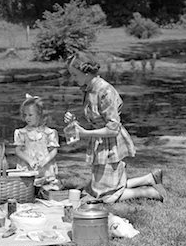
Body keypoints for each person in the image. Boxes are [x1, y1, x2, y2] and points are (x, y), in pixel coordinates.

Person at [64, 51, 167, 203]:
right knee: (99, 188)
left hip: (110, 143)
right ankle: (150, 178)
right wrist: (74, 121)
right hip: (100, 142)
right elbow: (96, 118)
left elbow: (113, 128)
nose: (72, 78)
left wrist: (85, 134)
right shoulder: (88, 88)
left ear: (86, 72)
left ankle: (148, 192)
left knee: (106, 196)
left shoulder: (105, 91)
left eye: (74, 74)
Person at [14, 94, 61, 188]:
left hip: (45, 167)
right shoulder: (22, 133)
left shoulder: (49, 133)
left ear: (40, 115)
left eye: (30, 115)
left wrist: (45, 160)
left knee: (49, 187)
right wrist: (29, 160)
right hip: (28, 167)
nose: (27, 118)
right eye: (25, 115)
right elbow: (18, 150)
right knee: (27, 187)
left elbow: (53, 150)